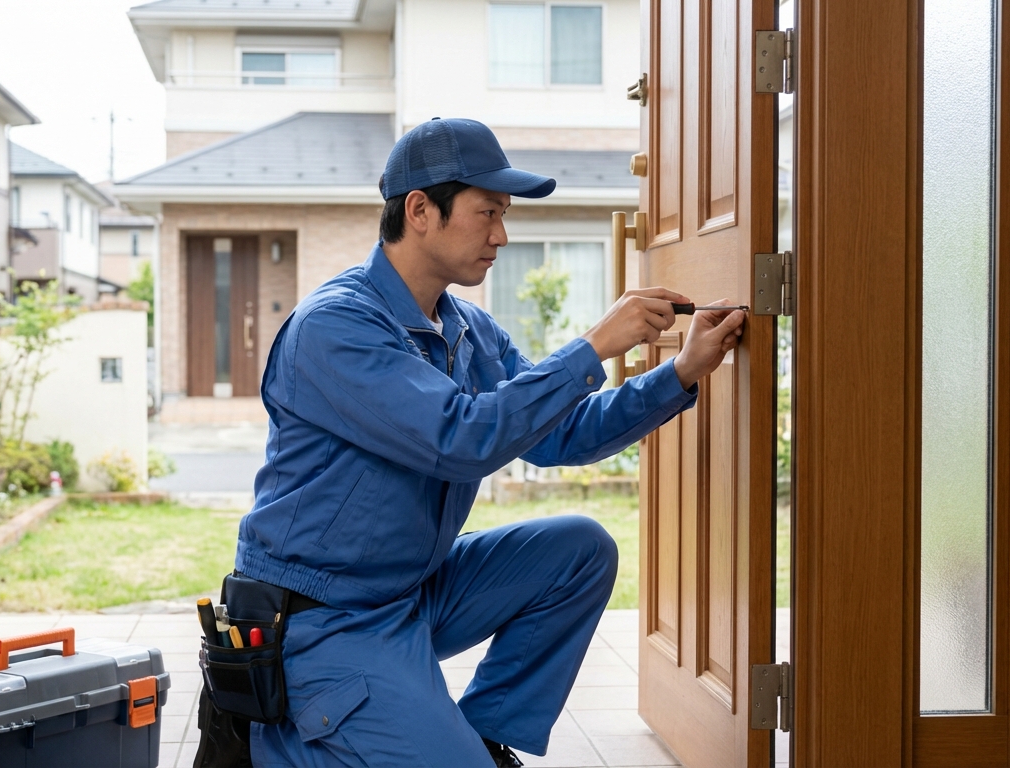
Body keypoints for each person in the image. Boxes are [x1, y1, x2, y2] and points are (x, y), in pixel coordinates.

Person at [233, 118, 745, 766]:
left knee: (580, 550)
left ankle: (478, 739)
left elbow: (562, 432)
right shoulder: (335, 328)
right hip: (325, 615)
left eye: (504, 215)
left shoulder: (464, 327)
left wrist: (678, 376)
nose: (502, 235)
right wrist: (594, 346)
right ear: (420, 211)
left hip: (412, 591)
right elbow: (462, 438)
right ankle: (282, 739)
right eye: (487, 214)